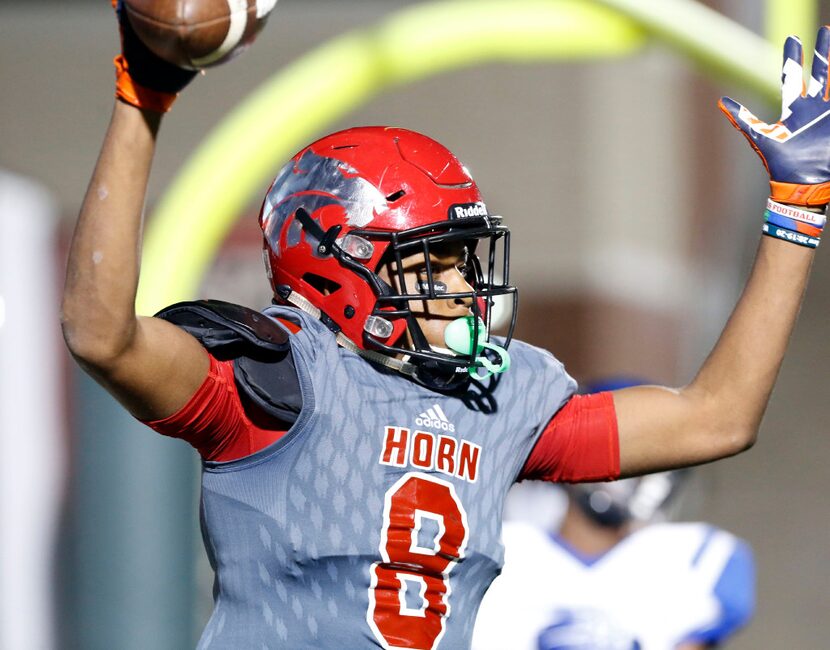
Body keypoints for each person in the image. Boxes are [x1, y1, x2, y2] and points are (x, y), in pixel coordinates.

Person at [61, 4, 829, 648]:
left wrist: (794, 214)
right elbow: (102, 335)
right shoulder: (277, 380)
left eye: (465, 259)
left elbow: (716, 418)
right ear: (339, 262)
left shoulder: (498, 397)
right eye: (434, 265)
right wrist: (143, 99)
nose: (465, 286)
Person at [472, 382, 756, 650]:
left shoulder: (699, 558)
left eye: (651, 449)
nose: (631, 467)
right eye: (615, 445)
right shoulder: (497, 544)